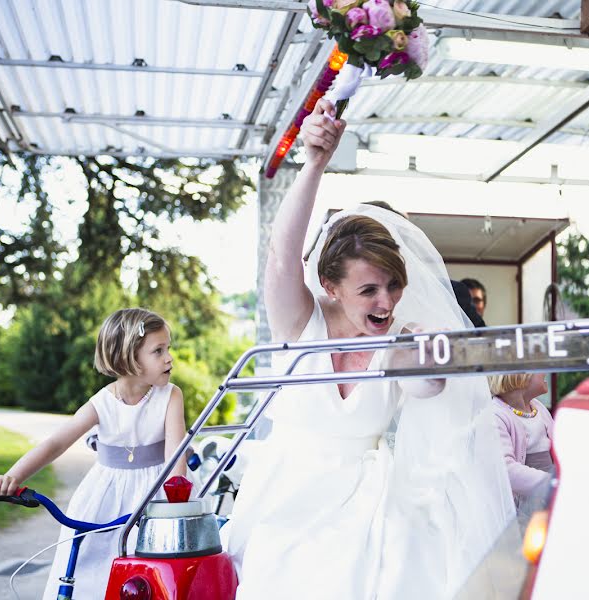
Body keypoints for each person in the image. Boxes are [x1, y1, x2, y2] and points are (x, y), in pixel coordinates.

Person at [223, 98, 515, 600]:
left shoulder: (405, 333)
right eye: (369, 291)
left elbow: (428, 384)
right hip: (288, 487)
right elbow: (281, 252)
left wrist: (428, 354)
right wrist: (314, 163)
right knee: (281, 565)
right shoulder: (299, 319)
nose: (386, 302)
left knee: (396, 564)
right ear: (331, 287)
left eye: (394, 285)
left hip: (367, 496)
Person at [0, 308, 187, 600]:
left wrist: (175, 499)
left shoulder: (170, 395)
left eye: (168, 348)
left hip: (156, 494)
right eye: (159, 351)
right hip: (105, 497)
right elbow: (55, 443)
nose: (169, 357)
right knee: (89, 569)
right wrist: (13, 476)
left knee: (152, 576)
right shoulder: (101, 403)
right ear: (129, 357)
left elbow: (175, 455)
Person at [488, 373, 554, 513]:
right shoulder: (496, 415)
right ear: (520, 375)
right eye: (539, 367)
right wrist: (551, 483)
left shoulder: (539, 408)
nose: (545, 371)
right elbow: (506, 470)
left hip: (551, 496)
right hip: (525, 508)